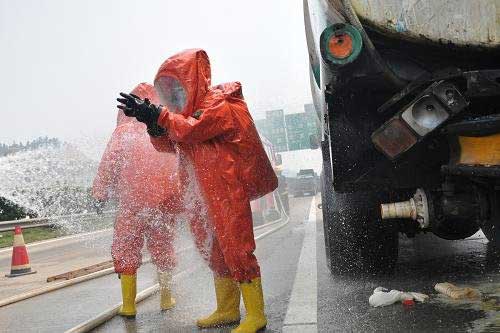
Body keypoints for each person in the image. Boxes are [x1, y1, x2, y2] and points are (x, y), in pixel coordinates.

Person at [117, 49, 278, 333]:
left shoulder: (218, 103)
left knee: (237, 248)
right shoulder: (183, 115)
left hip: (226, 188)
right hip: (200, 192)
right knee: (215, 251)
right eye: (167, 90)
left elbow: (193, 130)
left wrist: (159, 115)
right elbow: (169, 144)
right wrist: (152, 123)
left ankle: (256, 314)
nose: (172, 96)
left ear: (191, 82)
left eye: (176, 87)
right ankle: (227, 308)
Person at [94, 82, 181, 318]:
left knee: (126, 248)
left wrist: (100, 194)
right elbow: (177, 164)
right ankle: (166, 297)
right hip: (162, 204)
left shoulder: (122, 134)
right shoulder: (161, 130)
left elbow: (109, 165)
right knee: (163, 247)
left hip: (131, 205)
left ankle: (129, 305)